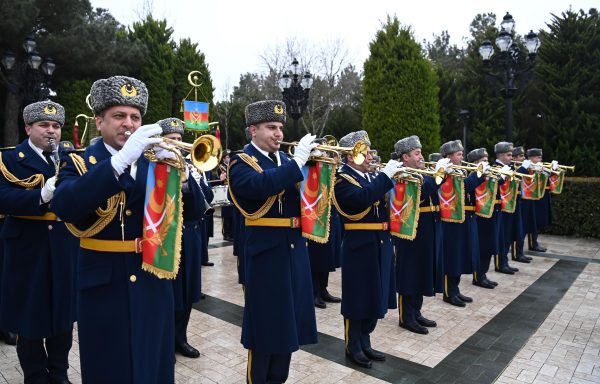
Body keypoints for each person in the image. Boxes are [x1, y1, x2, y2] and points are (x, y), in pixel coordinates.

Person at [53, 76, 199, 384]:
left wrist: (180, 178)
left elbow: (196, 213)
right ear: (100, 121)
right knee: (109, 367)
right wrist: (118, 162)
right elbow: (65, 205)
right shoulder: (79, 161)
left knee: (153, 367)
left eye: (135, 117)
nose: (128, 124)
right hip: (103, 286)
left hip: (152, 281)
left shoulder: (155, 163)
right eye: (118, 116)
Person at [228, 100, 318, 383]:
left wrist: (317, 170)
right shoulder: (241, 161)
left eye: (280, 127)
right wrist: (299, 163)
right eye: (271, 127)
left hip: (294, 252)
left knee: (288, 329)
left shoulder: (287, 161)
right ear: (252, 130)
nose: (279, 133)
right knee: (265, 332)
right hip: (266, 257)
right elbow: (258, 186)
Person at [0, 101, 79, 384]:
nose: (51, 131)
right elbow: (2, 197)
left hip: (63, 247)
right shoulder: (9, 159)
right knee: (30, 318)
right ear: (28, 127)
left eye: (56, 126)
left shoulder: (69, 158)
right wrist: (40, 196)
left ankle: (59, 373)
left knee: (63, 316)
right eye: (44, 125)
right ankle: (34, 376)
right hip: (27, 250)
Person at [334, 130, 398, 368]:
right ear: (351, 156)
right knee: (358, 297)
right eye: (365, 151)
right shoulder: (342, 180)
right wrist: (386, 177)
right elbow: (360, 200)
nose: (371, 155)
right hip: (359, 245)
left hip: (379, 242)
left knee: (375, 294)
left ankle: (366, 341)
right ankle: (353, 345)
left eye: (370, 150)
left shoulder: (371, 177)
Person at [156, 118, 209, 359]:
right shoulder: (153, 164)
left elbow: (202, 205)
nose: (178, 144)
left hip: (190, 235)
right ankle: (165, 340)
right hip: (164, 237)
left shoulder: (190, 165)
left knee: (187, 290)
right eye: (172, 139)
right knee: (168, 293)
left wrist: (190, 180)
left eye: (179, 140)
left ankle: (181, 338)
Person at [391, 136, 445, 335]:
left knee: (422, 270)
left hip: (426, 228)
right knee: (409, 272)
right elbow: (429, 188)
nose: (421, 157)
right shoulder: (402, 174)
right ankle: (406, 316)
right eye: (417, 153)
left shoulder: (420, 172)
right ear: (405, 157)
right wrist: (438, 173)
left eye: (420, 152)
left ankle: (416, 311)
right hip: (410, 230)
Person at [439, 140, 485, 307]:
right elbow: (463, 188)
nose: (462, 156)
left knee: (461, 254)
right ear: (449, 156)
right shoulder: (445, 171)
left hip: (464, 217)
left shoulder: (460, 170)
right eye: (459, 154)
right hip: (450, 220)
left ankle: (455, 289)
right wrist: (479, 175)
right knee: (452, 255)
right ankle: (448, 292)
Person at [467, 148, 501, 290]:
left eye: (487, 160)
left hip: (490, 213)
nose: (487, 163)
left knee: (489, 246)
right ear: (475, 163)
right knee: (481, 246)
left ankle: (484, 274)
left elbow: (500, 186)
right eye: (483, 161)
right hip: (478, 214)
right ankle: (478, 275)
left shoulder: (488, 174)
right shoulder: (472, 175)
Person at [509, 146, 532, 262]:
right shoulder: (512, 167)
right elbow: (513, 177)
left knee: (522, 227)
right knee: (517, 228)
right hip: (514, 200)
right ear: (514, 157)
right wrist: (524, 168)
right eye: (521, 156)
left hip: (522, 199)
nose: (523, 158)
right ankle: (516, 253)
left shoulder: (521, 167)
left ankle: (520, 252)